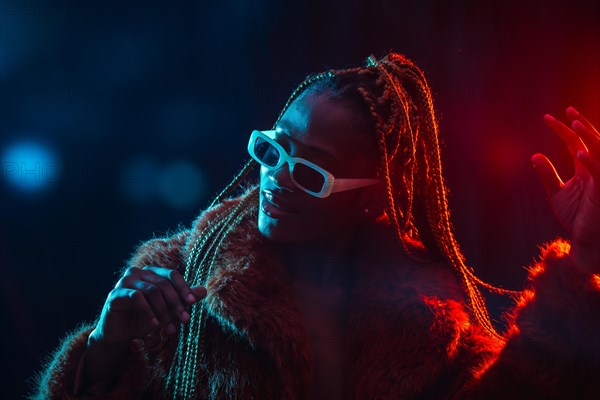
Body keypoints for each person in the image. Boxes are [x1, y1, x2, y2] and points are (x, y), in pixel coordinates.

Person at [32, 53, 600, 399]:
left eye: (310, 173)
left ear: (372, 199)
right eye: (273, 151)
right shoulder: (177, 283)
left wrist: (583, 263)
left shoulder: (430, 317)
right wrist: (105, 345)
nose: (276, 178)